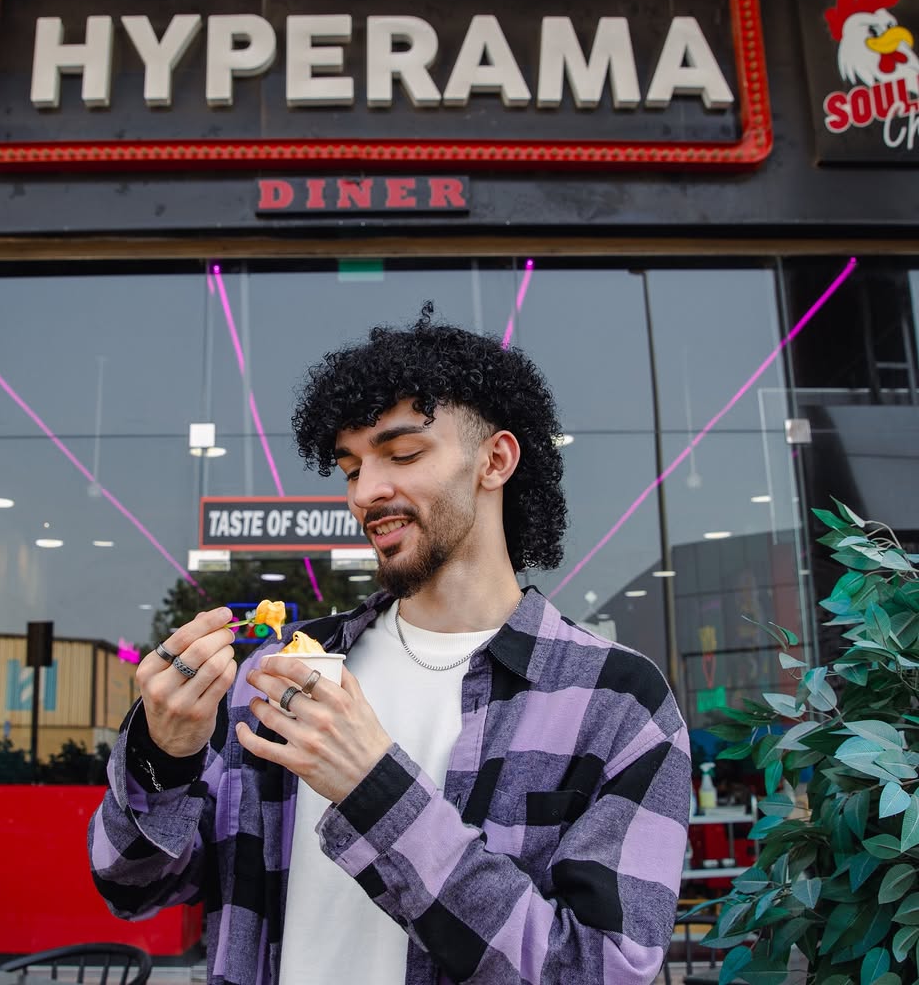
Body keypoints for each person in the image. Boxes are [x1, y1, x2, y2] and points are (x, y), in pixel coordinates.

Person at [89, 303, 691, 984]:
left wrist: (375, 790)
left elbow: (598, 971)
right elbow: (133, 888)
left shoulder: (616, 702)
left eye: (403, 454)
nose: (367, 492)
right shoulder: (279, 672)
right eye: (350, 468)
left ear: (495, 460)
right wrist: (163, 757)